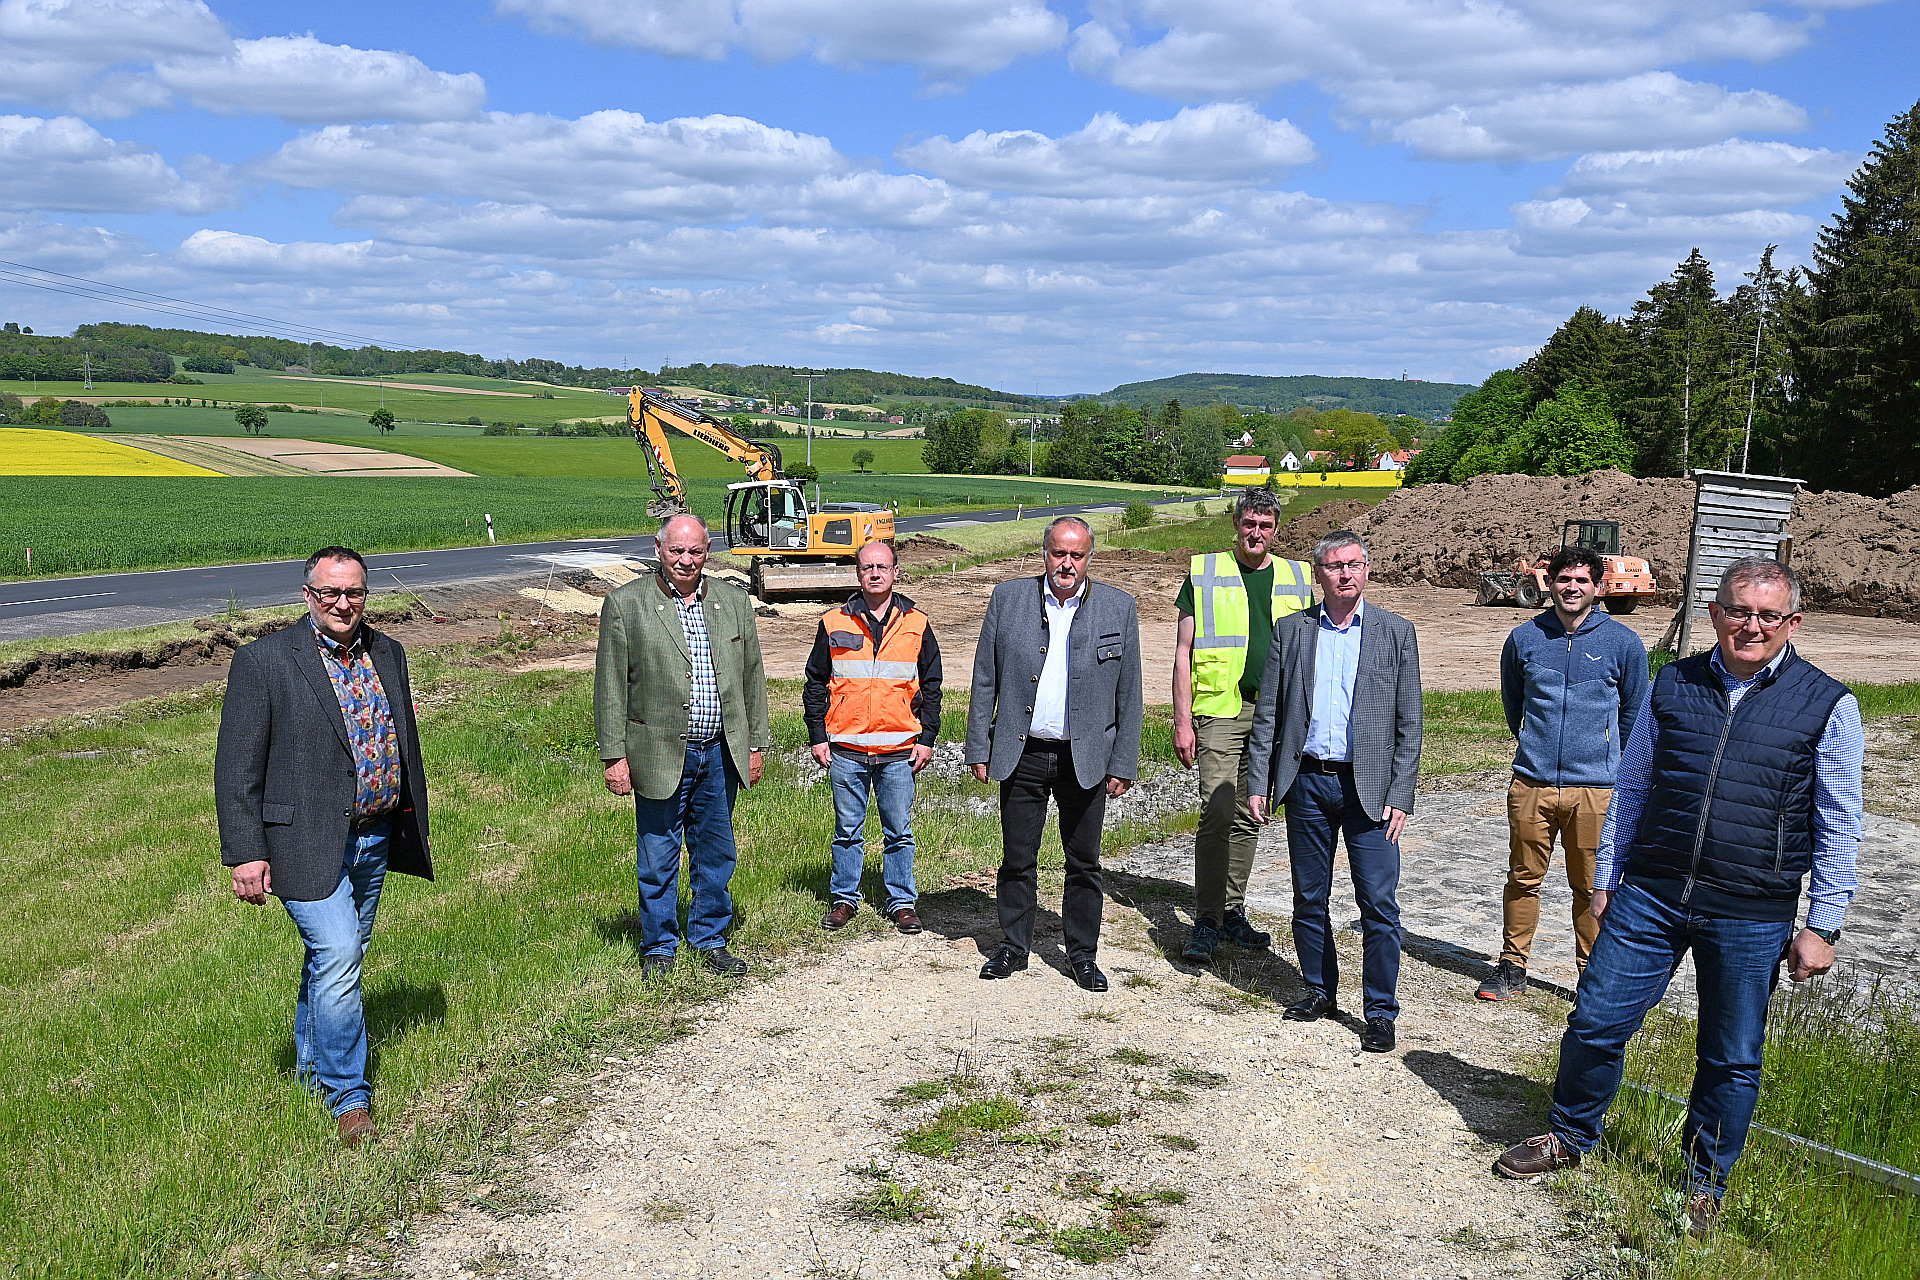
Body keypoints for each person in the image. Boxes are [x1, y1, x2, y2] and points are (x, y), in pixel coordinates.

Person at [1495, 558, 1862, 1237]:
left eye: (1768, 615)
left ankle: (1704, 1184)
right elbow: (1632, 786)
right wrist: (1606, 878)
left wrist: (1825, 924)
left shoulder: (1828, 704)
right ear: (1714, 614)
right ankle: (1570, 1136)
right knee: (1596, 1021)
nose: (1751, 626)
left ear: (1792, 623)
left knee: (1729, 1055)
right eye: (1738, 611)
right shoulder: (1675, 683)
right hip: (1652, 895)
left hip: (1752, 910)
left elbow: (1841, 820)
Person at [215, 545, 433, 1147]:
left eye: (354, 592)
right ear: (307, 594)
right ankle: (349, 1096)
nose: (343, 602)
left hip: (373, 834)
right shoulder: (265, 661)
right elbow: (237, 766)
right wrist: (245, 851)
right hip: (300, 840)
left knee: (340, 956)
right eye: (329, 592)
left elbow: (400, 740)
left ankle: (310, 1069)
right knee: (338, 954)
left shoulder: (388, 653)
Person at [1247, 531, 1422, 1054]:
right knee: (1309, 896)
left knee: (1378, 903)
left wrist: (1402, 792)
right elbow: (1269, 716)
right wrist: (1260, 780)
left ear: (1366, 570)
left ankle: (1379, 1011)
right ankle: (1318, 990)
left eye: (1354, 565)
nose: (1345, 574)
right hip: (1307, 783)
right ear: (1318, 574)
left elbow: (1409, 722)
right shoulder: (1292, 632)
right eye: (1334, 566)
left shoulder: (1396, 632)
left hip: (1368, 789)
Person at [966, 516, 1142, 992]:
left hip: (1084, 758)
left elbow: (1131, 692)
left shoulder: (1118, 607)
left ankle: (1082, 954)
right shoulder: (1008, 599)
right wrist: (978, 745)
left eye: (1077, 555)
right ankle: (1013, 946)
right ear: (1044, 552)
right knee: (1017, 857)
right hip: (1022, 753)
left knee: (1083, 862)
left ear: (1089, 557)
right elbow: (985, 678)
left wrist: (1123, 761)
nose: (1067, 563)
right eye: (1058, 553)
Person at [595, 513, 769, 979]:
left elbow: (753, 679)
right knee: (658, 855)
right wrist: (614, 755)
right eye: (677, 551)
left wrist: (755, 745)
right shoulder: (625, 604)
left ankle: (710, 938)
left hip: (718, 752)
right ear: (658, 549)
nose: (686, 561)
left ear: (707, 552)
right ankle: (659, 946)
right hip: (656, 752)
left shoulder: (733, 602)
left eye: (695, 552)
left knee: (715, 852)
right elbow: (610, 685)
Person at [1478, 546, 1649, 1000]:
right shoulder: (1524, 639)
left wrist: (1614, 767)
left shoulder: (1623, 644)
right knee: (1522, 878)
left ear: (1598, 587)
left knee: (1593, 886)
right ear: (1549, 583)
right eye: (1563, 580)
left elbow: (1635, 714)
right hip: (1532, 784)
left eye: (1581, 581)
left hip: (1596, 789)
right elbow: (1515, 705)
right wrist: (1535, 747)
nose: (1571, 588)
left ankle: (1592, 976)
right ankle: (1512, 966)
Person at [1171, 486, 1314, 963]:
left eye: (1265, 526)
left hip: (1273, 715)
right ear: (1236, 524)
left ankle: (1232, 911)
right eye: (1249, 523)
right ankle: (1207, 918)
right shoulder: (1205, 572)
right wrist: (1182, 719)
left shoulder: (1298, 577)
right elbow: (1182, 652)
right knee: (1216, 809)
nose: (1256, 533)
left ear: (1276, 529)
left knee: (1251, 813)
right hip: (1220, 709)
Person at [804, 539, 943, 934]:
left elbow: (932, 685)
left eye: (882, 566)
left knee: (899, 832)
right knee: (847, 831)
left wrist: (927, 737)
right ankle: (844, 899)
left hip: (899, 751)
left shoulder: (917, 623)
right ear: (858, 573)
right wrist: (817, 735)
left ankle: (901, 902)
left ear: (896, 572)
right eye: (867, 567)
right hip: (846, 749)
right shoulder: (834, 622)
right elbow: (815, 682)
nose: (875, 573)